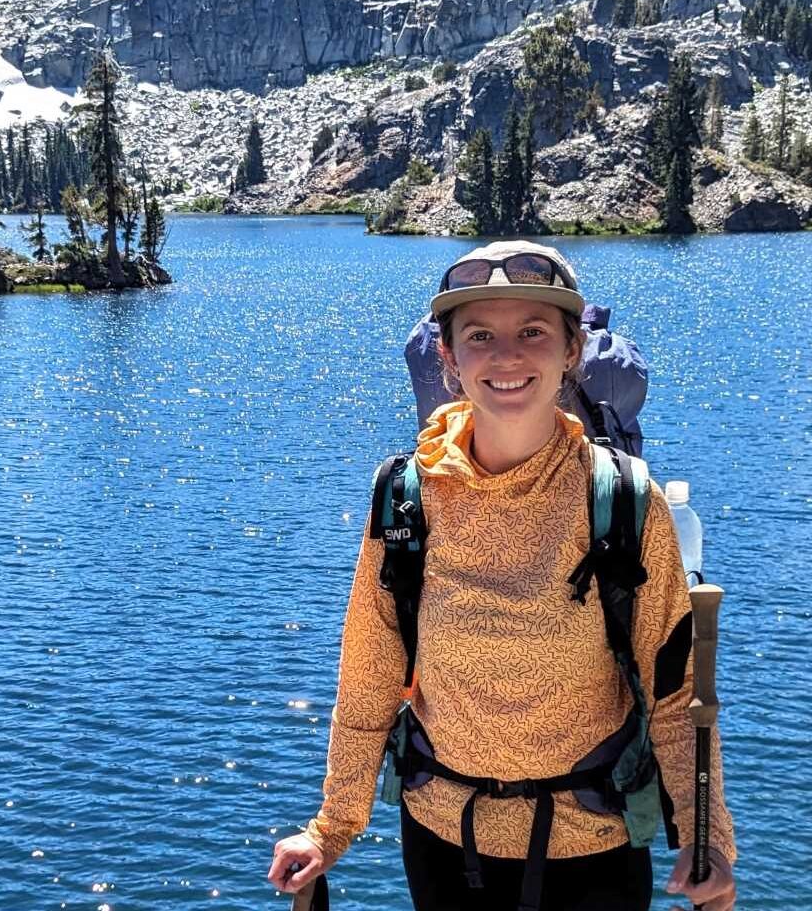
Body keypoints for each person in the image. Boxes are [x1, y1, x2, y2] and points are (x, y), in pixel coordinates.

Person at [267, 241, 737, 911]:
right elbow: (369, 675)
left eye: (534, 332)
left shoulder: (627, 502)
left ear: (571, 350)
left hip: (594, 844)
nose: (507, 355)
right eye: (480, 335)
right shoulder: (406, 497)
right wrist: (332, 828)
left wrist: (705, 836)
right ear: (449, 358)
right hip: (442, 843)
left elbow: (676, 692)